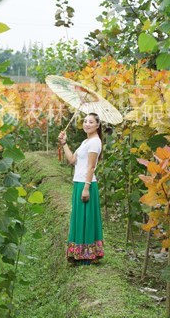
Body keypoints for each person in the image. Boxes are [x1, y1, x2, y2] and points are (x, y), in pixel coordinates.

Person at [58, 112, 104, 266]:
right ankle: (79, 253)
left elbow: (91, 167)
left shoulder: (95, 142)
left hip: (86, 184)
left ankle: (88, 256)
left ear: (97, 125)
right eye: (85, 121)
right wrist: (64, 143)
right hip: (79, 183)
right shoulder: (85, 142)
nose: (87, 124)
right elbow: (72, 160)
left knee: (87, 219)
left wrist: (86, 188)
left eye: (91, 122)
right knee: (79, 218)